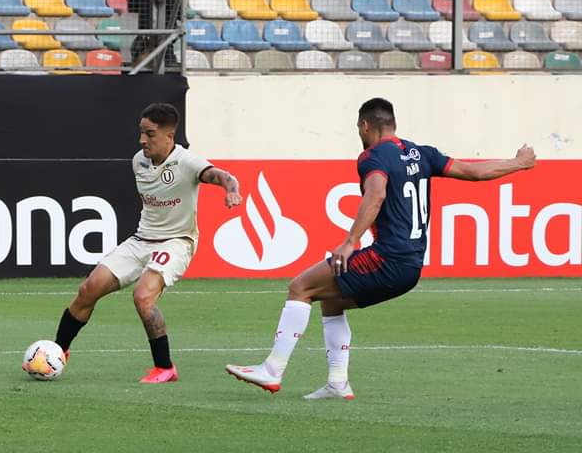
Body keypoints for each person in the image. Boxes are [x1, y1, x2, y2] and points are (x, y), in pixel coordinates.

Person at [225, 98, 537, 399]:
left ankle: (272, 369)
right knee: (330, 300)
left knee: (300, 287)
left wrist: (350, 242)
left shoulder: (372, 156)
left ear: (365, 125)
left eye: (358, 129)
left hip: (387, 258)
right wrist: (519, 163)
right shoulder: (422, 153)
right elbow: (474, 172)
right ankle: (337, 383)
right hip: (411, 267)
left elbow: (375, 195)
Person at [37, 103, 242, 384]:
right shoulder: (139, 161)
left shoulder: (187, 162)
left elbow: (223, 176)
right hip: (141, 240)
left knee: (143, 296)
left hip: (175, 242)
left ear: (169, 137)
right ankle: (58, 352)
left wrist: (231, 191)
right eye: (141, 133)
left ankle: (165, 368)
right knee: (88, 289)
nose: (142, 140)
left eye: (150, 134)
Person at [127, 0, 178, 67]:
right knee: (168, 65)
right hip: (163, 35)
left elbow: (132, 7)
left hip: (145, 34)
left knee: (141, 66)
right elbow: (178, 12)